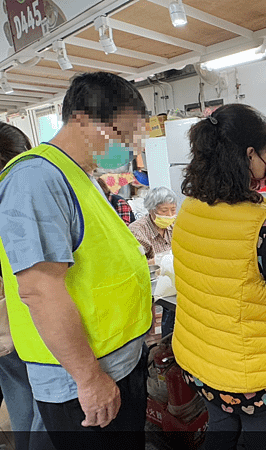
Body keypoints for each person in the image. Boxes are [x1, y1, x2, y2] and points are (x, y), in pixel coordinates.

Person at [0, 72, 152, 450]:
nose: (130, 147)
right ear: (84, 120)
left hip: (114, 364)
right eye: (124, 133)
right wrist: (88, 379)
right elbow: (39, 289)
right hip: (84, 377)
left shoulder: (77, 174)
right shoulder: (36, 178)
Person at [171, 104, 266, 450]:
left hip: (201, 361)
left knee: (220, 431)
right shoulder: (262, 225)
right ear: (249, 155)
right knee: (258, 441)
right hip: (251, 373)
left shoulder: (188, 208)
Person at [0, 122, 55, 450]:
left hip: (5, 333)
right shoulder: (14, 201)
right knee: (44, 408)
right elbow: (34, 281)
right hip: (19, 323)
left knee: (19, 396)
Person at [128, 186, 177, 263]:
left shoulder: (177, 223)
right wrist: (160, 261)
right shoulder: (137, 230)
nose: (170, 215)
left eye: (173, 210)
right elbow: (136, 264)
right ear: (151, 210)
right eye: (164, 211)